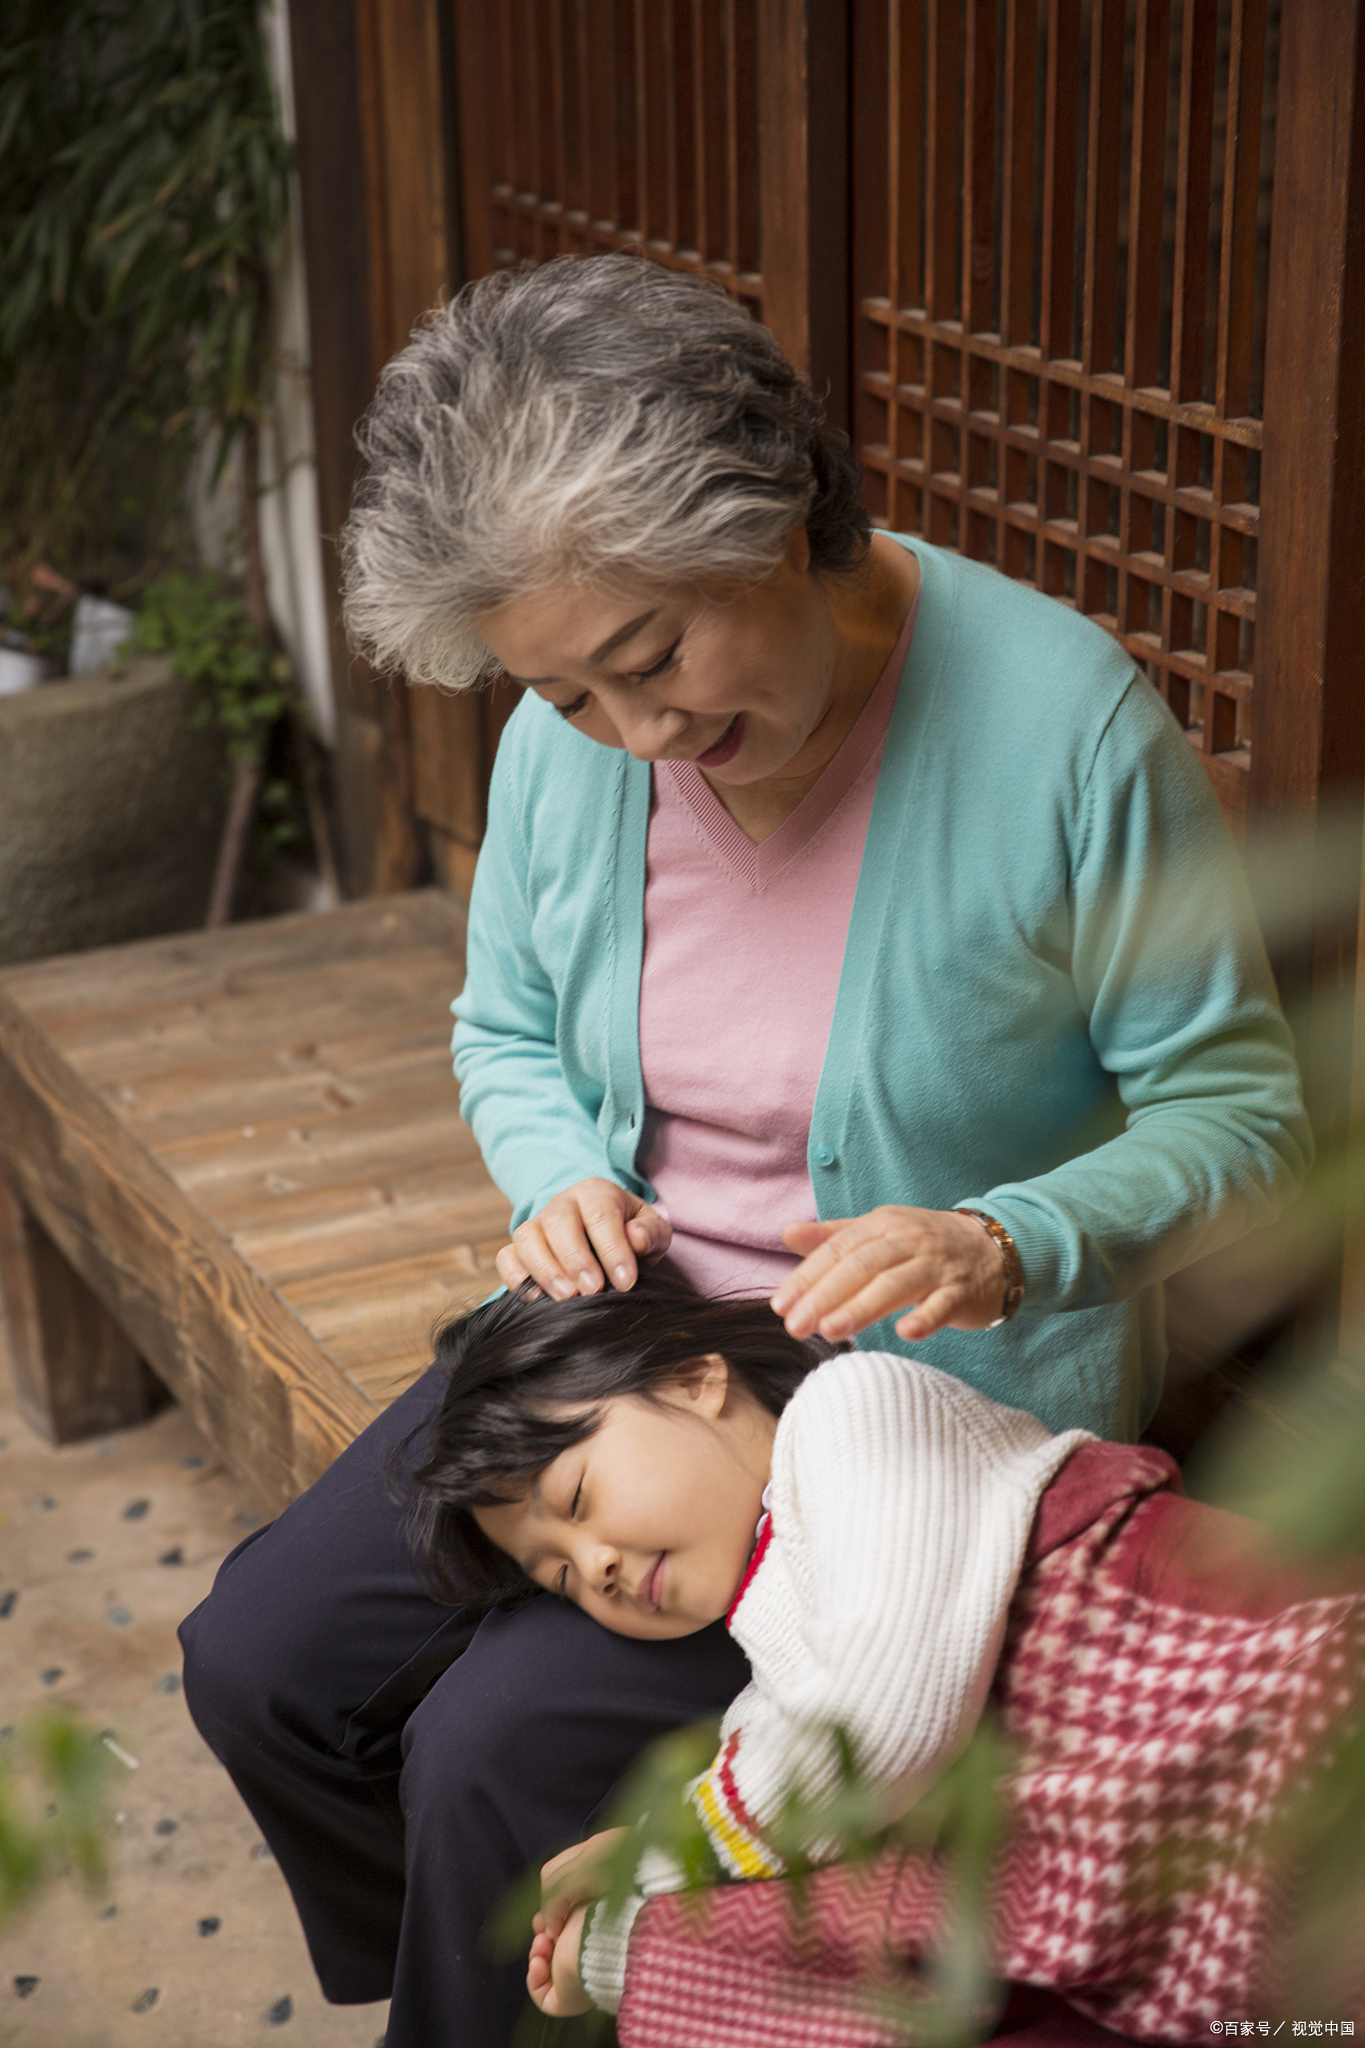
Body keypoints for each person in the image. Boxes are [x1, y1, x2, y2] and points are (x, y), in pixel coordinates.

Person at [181, 252, 1312, 2046]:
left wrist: (1005, 1237)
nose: (635, 737)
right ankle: (515, 1990)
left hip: (880, 1409)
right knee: (256, 1665)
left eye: (654, 658)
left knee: (487, 1746)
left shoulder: (1063, 725)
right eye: (564, 697)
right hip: (617, 1327)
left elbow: (1244, 1118)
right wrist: (554, 1163)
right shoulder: (578, 737)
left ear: (777, 512)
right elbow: (504, 1033)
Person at [407, 1272, 1365, 2040]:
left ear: (693, 1381)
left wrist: (660, 1861)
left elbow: (879, 1735)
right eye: (560, 1575)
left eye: (576, 1500)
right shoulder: (767, 1683)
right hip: (1132, 1860)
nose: (597, 1564)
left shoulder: (851, 1411)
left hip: (1250, 1709)